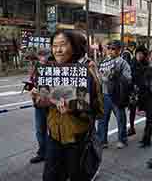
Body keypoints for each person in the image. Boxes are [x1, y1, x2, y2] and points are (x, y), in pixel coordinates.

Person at [31, 30, 103, 181]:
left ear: (74, 46)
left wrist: (73, 110)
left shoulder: (85, 70)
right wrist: (37, 99)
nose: (58, 49)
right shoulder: (48, 70)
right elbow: (43, 102)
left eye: (63, 45)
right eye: (54, 45)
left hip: (77, 139)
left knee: (78, 176)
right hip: (54, 136)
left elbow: (95, 110)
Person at [97, 40, 132, 149]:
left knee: (120, 118)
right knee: (103, 119)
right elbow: (99, 76)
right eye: (109, 48)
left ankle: (122, 139)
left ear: (119, 50)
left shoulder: (122, 62)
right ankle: (102, 140)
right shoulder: (103, 61)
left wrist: (116, 75)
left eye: (113, 49)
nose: (110, 51)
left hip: (117, 95)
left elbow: (128, 78)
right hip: (105, 94)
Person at [29, 49, 50, 164]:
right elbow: (33, 82)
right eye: (40, 56)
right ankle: (42, 152)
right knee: (40, 130)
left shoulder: (53, 67)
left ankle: (50, 153)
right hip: (38, 104)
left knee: (51, 130)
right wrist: (31, 88)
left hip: (50, 104)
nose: (42, 58)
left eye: (44, 56)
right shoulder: (36, 67)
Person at [128, 46, 152, 137]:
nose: (139, 55)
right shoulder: (132, 62)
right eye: (138, 53)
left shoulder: (146, 64)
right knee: (132, 109)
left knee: (146, 109)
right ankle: (131, 127)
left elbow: (147, 77)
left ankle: (147, 129)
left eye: (141, 54)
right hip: (134, 90)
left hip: (144, 90)